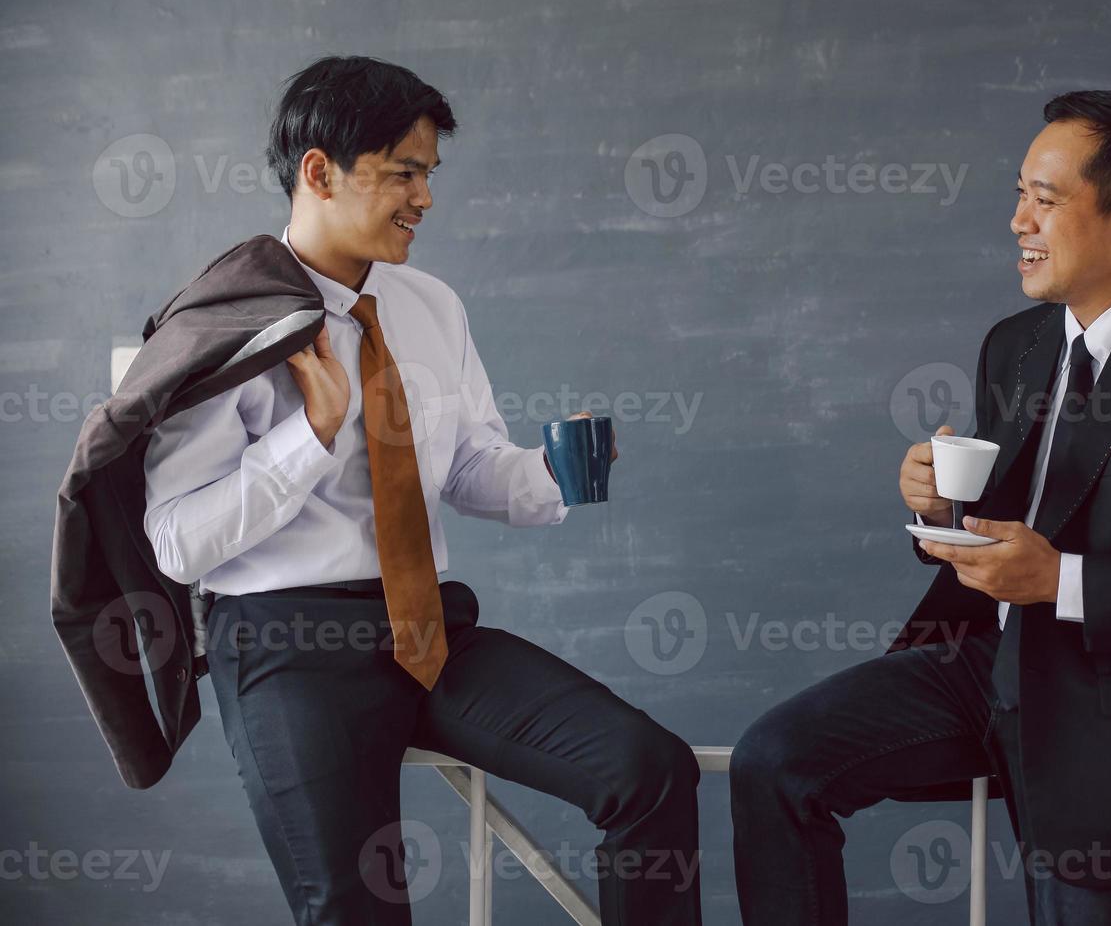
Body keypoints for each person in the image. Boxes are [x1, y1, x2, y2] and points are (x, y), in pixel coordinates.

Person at [141, 55, 702, 926]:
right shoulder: (223, 323)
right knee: (359, 908)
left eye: (429, 173)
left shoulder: (432, 306)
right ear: (320, 171)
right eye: (404, 172)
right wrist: (309, 436)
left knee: (650, 768)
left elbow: (468, 467)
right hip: (290, 646)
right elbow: (176, 544)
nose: (425, 198)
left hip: (430, 630)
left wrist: (552, 472)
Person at [729, 90, 1111, 925]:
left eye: (1045, 199)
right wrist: (938, 508)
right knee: (774, 762)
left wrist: (1061, 582)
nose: (1017, 221)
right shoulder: (1017, 344)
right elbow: (1014, 522)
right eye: (1018, 194)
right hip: (988, 667)